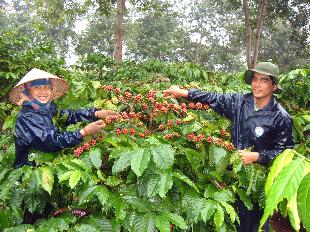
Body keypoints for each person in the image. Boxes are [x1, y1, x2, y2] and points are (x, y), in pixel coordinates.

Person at [163, 62, 294, 232]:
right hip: (234, 175)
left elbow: (285, 151)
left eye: (264, 80)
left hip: (260, 180)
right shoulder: (239, 102)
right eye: (254, 79)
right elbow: (212, 97)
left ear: (274, 86)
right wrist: (183, 92)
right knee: (239, 221)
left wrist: (257, 156)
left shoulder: (281, 117)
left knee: (259, 223)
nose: (257, 84)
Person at [9, 68, 119, 223]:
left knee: (49, 214)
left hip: (47, 174)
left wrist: (95, 113)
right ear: (28, 91)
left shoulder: (46, 109)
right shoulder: (26, 117)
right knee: (33, 218)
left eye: (46, 87)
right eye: (37, 88)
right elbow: (50, 142)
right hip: (31, 180)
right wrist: (84, 132)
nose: (43, 92)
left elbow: (69, 115)